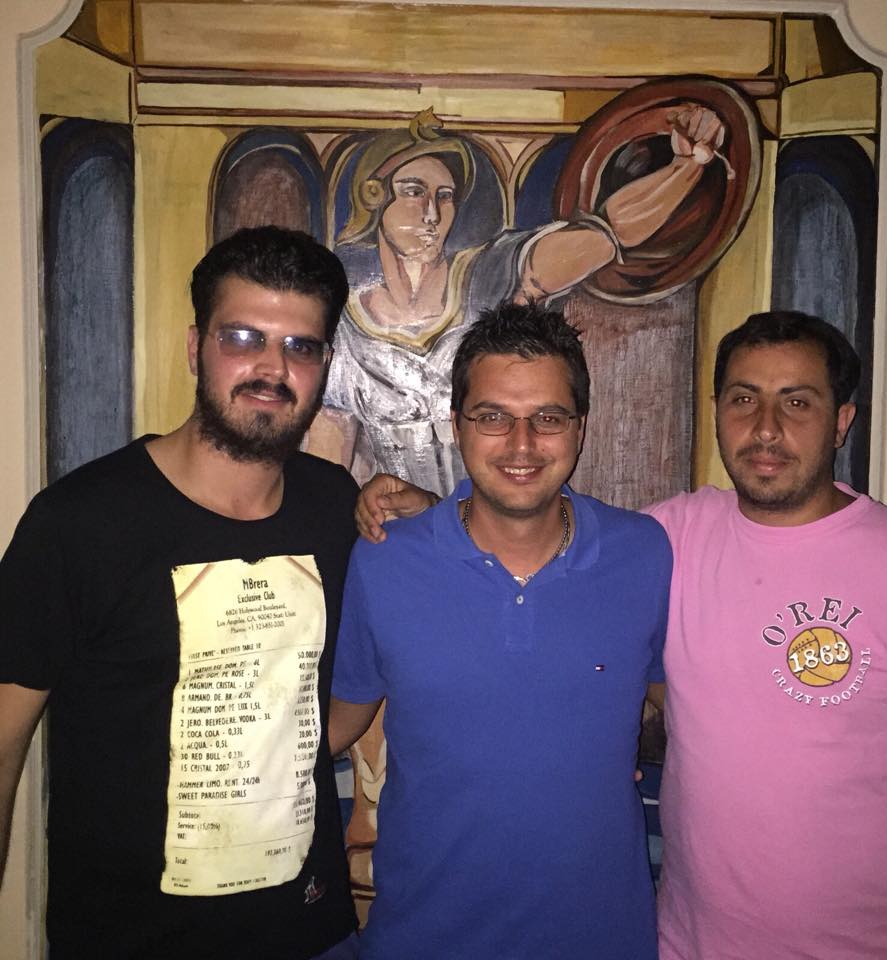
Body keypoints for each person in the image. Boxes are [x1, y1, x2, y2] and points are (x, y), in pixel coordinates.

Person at [356, 310, 887, 958]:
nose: (766, 427)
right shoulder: (669, 537)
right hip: (693, 941)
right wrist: (435, 516)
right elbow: (525, 523)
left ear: (841, 420)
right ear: (718, 411)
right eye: (744, 399)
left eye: (797, 402)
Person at [0, 227, 361, 960]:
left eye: (300, 347)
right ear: (196, 348)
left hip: (310, 934)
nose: (272, 368)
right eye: (243, 337)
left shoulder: (335, 508)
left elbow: (328, 706)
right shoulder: (79, 522)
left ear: (324, 366)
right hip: (130, 940)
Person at [329, 300, 671, 959]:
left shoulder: (643, 553)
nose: (521, 444)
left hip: (600, 938)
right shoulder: (387, 559)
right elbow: (336, 724)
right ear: (456, 425)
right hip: (425, 937)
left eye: (548, 417)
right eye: (492, 417)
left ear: (580, 428)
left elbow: (687, 711)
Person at [316, 104, 726, 496]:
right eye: (413, 191)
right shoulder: (344, 329)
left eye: (445, 196)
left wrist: (687, 165)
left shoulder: (488, 274)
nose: (432, 214)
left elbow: (607, 234)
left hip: (503, 523)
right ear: (373, 197)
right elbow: (326, 472)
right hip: (402, 533)